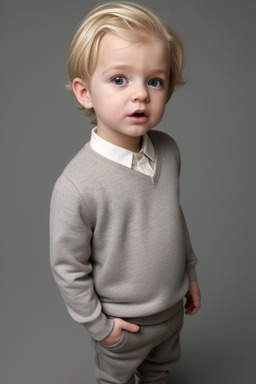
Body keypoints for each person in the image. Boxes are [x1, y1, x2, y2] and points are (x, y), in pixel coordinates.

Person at [50, 2, 201, 383]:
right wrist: (101, 327)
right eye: (120, 79)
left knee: (162, 373)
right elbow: (69, 267)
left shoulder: (168, 149)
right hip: (125, 326)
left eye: (155, 81)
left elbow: (172, 216)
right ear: (85, 93)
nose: (141, 95)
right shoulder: (77, 184)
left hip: (171, 312)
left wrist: (190, 272)